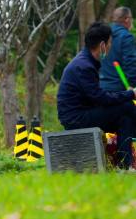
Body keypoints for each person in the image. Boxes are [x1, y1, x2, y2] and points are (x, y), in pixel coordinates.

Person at [57, 22, 136, 170]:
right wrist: (131, 94)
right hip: (76, 118)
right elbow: (101, 99)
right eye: (110, 42)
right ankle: (124, 164)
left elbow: (99, 97)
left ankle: (124, 165)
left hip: (82, 113)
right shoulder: (84, 66)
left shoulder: (85, 62)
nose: (111, 47)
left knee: (125, 119)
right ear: (102, 45)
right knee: (126, 106)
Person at [100, 7, 136, 92]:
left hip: (100, 87)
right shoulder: (126, 37)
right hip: (119, 88)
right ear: (127, 19)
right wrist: (132, 85)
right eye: (131, 18)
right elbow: (130, 62)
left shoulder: (102, 34)